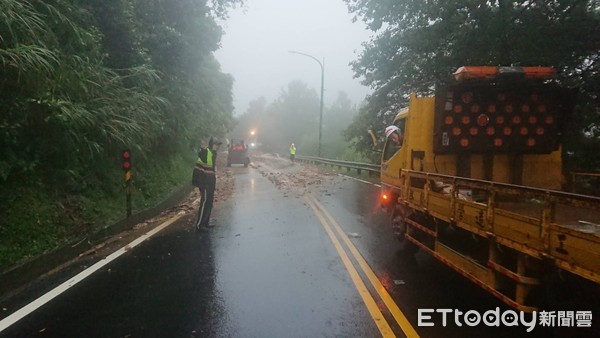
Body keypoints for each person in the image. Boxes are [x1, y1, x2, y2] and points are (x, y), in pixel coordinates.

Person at [194, 137, 221, 230]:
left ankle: (206, 222)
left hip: (209, 181)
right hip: (204, 181)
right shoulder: (207, 152)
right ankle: (200, 224)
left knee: (209, 201)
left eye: (218, 145)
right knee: (205, 201)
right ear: (211, 144)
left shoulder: (213, 154)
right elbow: (201, 154)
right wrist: (203, 148)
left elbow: (211, 170)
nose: (217, 147)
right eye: (215, 144)